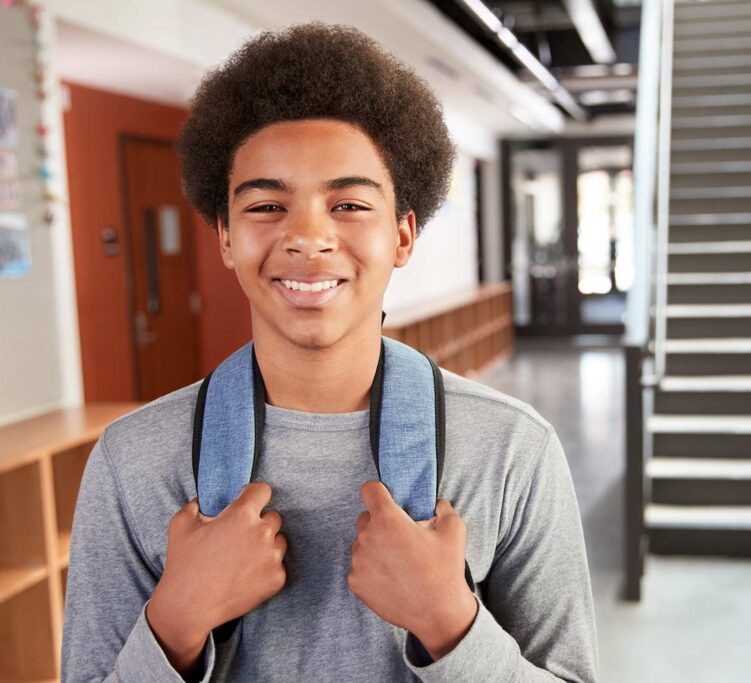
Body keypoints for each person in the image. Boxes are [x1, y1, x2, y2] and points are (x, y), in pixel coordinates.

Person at [60, 22, 597, 682]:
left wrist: (450, 623)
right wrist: (176, 619)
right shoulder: (133, 462)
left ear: (403, 235)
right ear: (225, 236)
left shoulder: (512, 450)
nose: (308, 237)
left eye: (347, 203)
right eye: (266, 205)